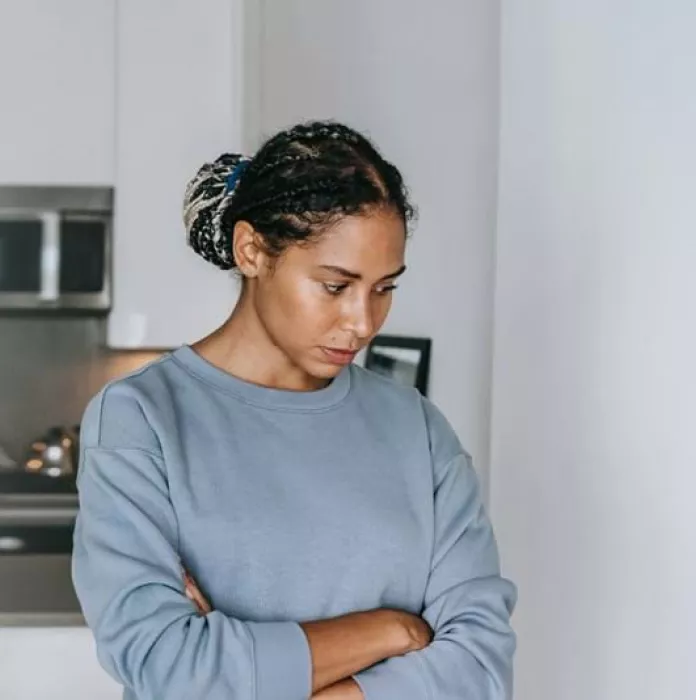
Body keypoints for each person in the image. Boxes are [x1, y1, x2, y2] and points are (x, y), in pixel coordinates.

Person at [71, 121, 517, 700]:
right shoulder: (142, 418)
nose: (363, 323)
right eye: (336, 286)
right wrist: (392, 629)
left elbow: (480, 668)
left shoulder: (417, 428)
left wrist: (253, 668)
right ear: (252, 250)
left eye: (384, 288)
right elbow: (171, 668)